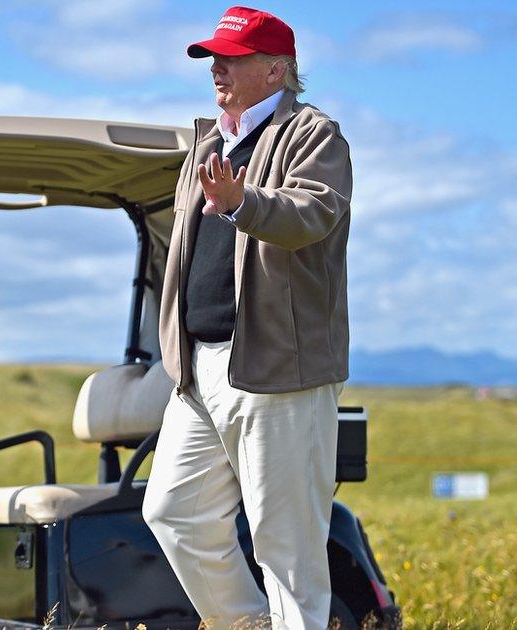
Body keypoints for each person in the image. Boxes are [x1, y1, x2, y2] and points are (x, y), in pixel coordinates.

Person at [142, 6, 352, 630]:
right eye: (213, 59)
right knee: (173, 512)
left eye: (231, 59)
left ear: (276, 70)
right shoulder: (208, 144)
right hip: (200, 368)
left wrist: (242, 203)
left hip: (275, 368)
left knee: (287, 552)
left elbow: (312, 214)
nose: (217, 69)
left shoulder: (314, 134)